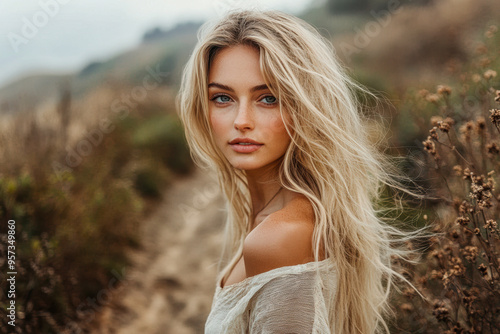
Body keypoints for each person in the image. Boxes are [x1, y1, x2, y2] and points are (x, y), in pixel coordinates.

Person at [177, 9, 418, 334]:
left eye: (268, 98)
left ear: (305, 106)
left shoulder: (280, 238)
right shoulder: (286, 217)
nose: (241, 120)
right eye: (222, 98)